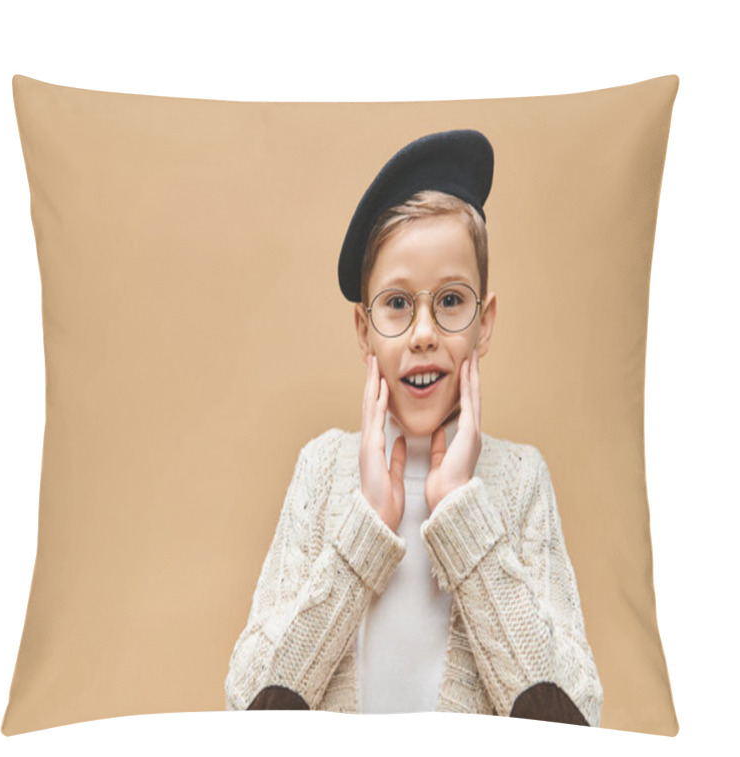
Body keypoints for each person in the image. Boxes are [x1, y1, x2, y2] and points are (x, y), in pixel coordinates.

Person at [224, 130, 603, 726]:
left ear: (485, 323)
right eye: (398, 304)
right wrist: (365, 529)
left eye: (451, 301)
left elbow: (577, 720)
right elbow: (247, 706)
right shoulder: (323, 471)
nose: (424, 332)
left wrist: (461, 516)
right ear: (363, 330)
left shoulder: (521, 478)